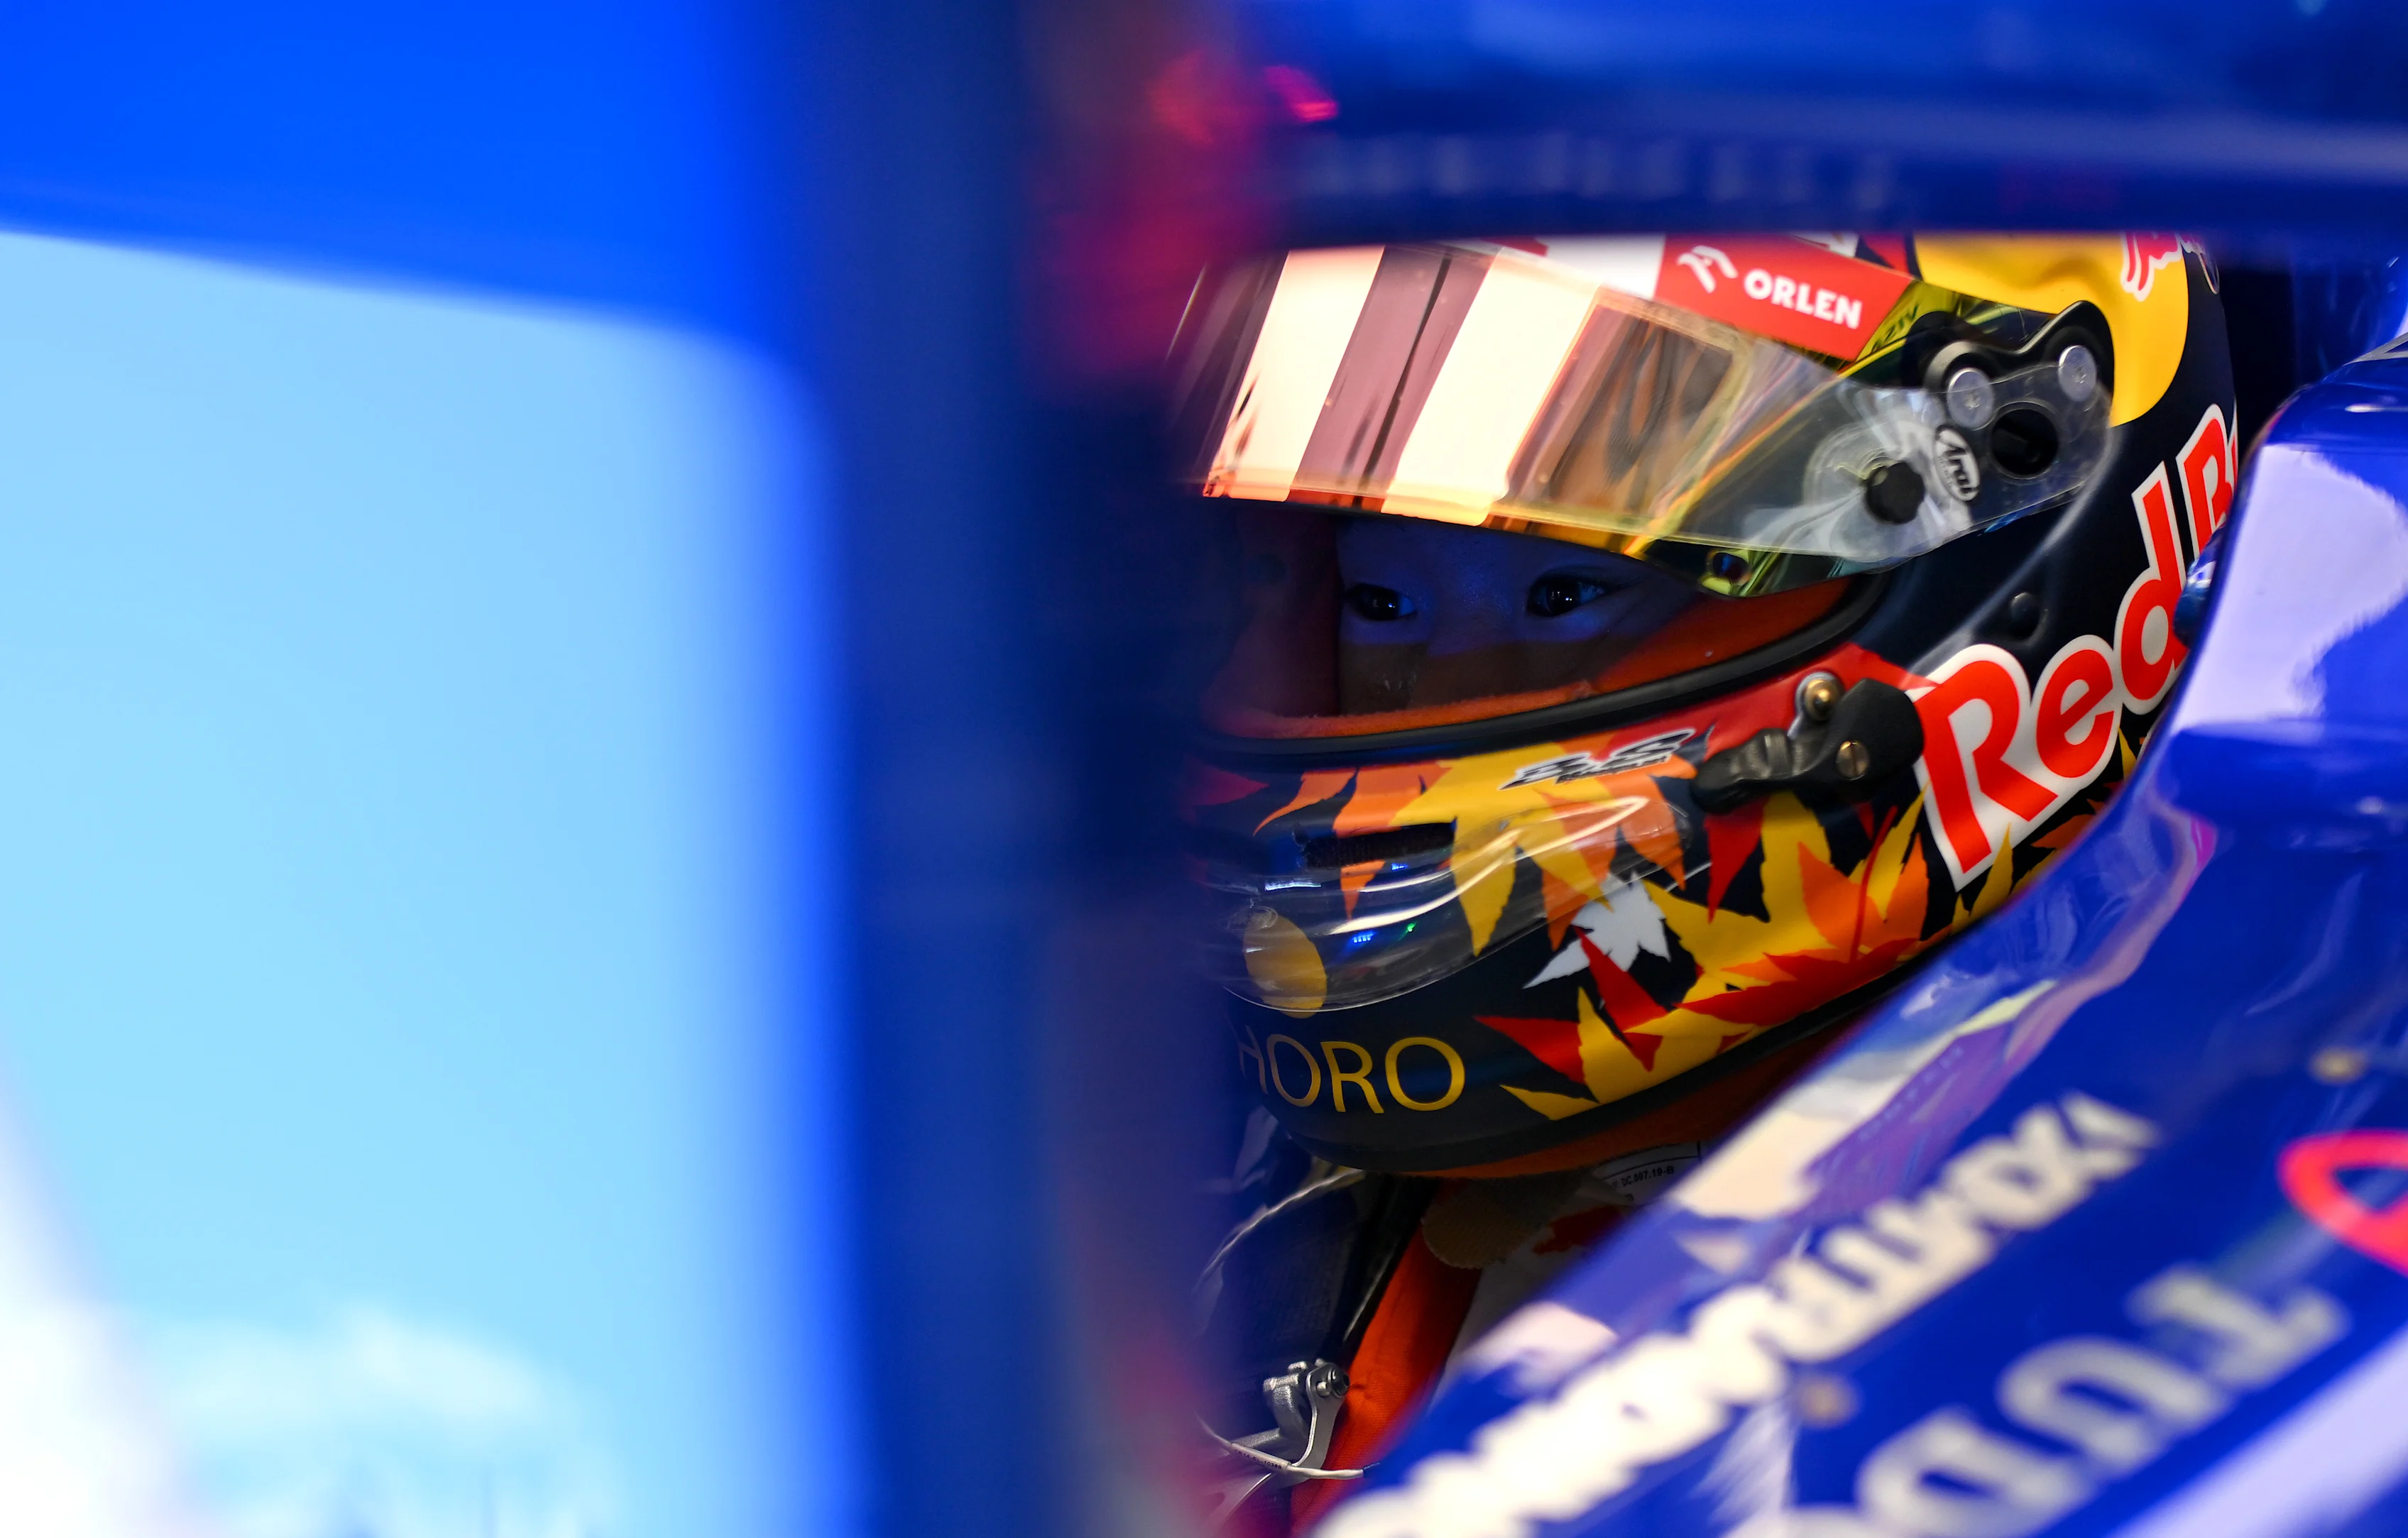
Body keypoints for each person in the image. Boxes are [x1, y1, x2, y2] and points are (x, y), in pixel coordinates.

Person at [1169, 233, 2237, 1532]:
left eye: (1567, 591)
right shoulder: (1146, 1133)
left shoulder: (2206, 1233)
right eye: (1380, 600)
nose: (1448, 695)